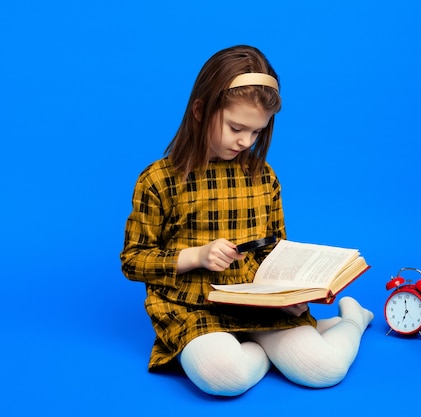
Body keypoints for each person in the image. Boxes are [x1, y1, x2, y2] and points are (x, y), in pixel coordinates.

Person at [120, 45, 374, 397]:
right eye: (236, 127)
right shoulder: (158, 180)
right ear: (200, 110)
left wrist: (291, 294)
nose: (245, 141)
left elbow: (276, 251)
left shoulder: (262, 176)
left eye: (256, 132)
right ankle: (270, 351)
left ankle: (353, 319)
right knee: (224, 377)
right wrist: (197, 256)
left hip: (260, 304)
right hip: (194, 307)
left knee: (324, 369)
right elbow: (133, 261)